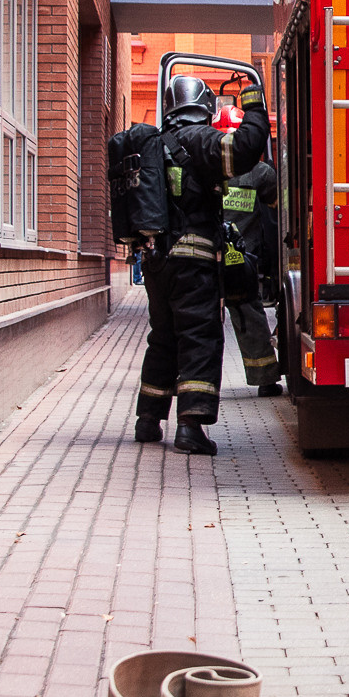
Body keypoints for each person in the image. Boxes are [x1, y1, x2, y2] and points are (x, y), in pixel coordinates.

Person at [134, 75, 268, 453]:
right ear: (204, 108)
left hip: (157, 263)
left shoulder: (154, 143)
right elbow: (245, 149)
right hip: (193, 263)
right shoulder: (199, 139)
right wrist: (255, 103)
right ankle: (191, 427)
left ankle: (148, 419)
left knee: (163, 337)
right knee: (200, 337)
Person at [214, 99, 283, 396]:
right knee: (250, 318)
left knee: (198, 321)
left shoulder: (206, 167)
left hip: (207, 257)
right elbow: (277, 212)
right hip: (243, 262)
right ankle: (265, 380)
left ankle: (191, 383)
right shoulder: (261, 174)